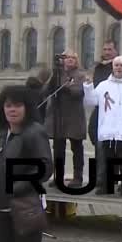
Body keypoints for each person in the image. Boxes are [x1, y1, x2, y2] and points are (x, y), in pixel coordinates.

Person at [0, 85, 53, 242]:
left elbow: (44, 167)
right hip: (1, 207)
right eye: (8, 106)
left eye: (17, 105)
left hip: (25, 207)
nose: (12, 110)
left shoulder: (35, 132)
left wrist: (16, 187)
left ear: (27, 108)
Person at [83, 56, 122, 196]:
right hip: (107, 129)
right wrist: (88, 86)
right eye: (116, 65)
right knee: (108, 160)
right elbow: (91, 101)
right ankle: (106, 186)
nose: (118, 68)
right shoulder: (104, 85)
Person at [43, 49, 86, 188]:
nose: (69, 60)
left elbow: (79, 92)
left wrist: (66, 87)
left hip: (74, 116)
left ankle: (77, 177)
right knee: (58, 148)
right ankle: (58, 176)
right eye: (66, 57)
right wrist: (56, 73)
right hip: (58, 116)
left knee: (76, 147)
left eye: (72, 58)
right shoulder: (57, 74)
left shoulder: (80, 75)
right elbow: (46, 90)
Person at [86, 40, 121, 194]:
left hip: (113, 112)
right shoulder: (98, 67)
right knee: (99, 145)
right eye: (105, 49)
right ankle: (103, 178)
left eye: (110, 49)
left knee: (110, 148)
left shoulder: (119, 67)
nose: (107, 52)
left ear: (115, 51)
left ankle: (105, 181)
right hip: (99, 108)